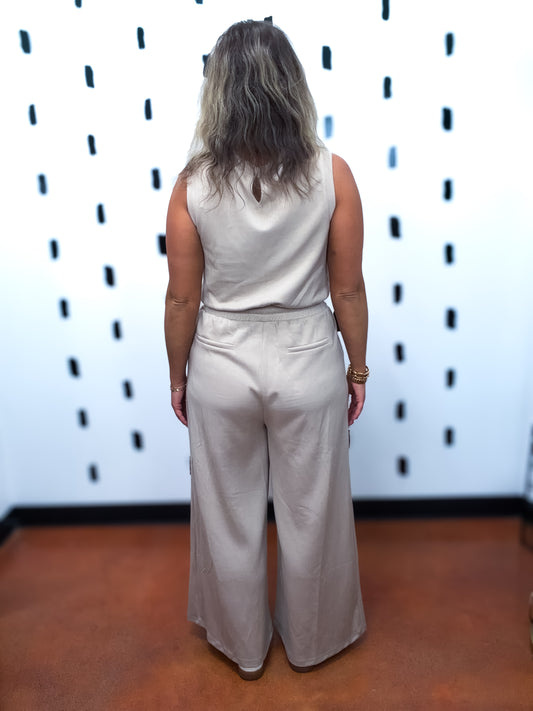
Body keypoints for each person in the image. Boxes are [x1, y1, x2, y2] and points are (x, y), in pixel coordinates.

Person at [164, 19, 368, 681]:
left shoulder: (192, 185)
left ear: (219, 91)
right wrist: (357, 368)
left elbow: (182, 300)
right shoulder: (332, 174)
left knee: (227, 513)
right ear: (291, 86)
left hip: (221, 362)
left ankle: (244, 649)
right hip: (307, 357)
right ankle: (311, 644)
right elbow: (348, 288)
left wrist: (177, 376)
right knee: (313, 512)